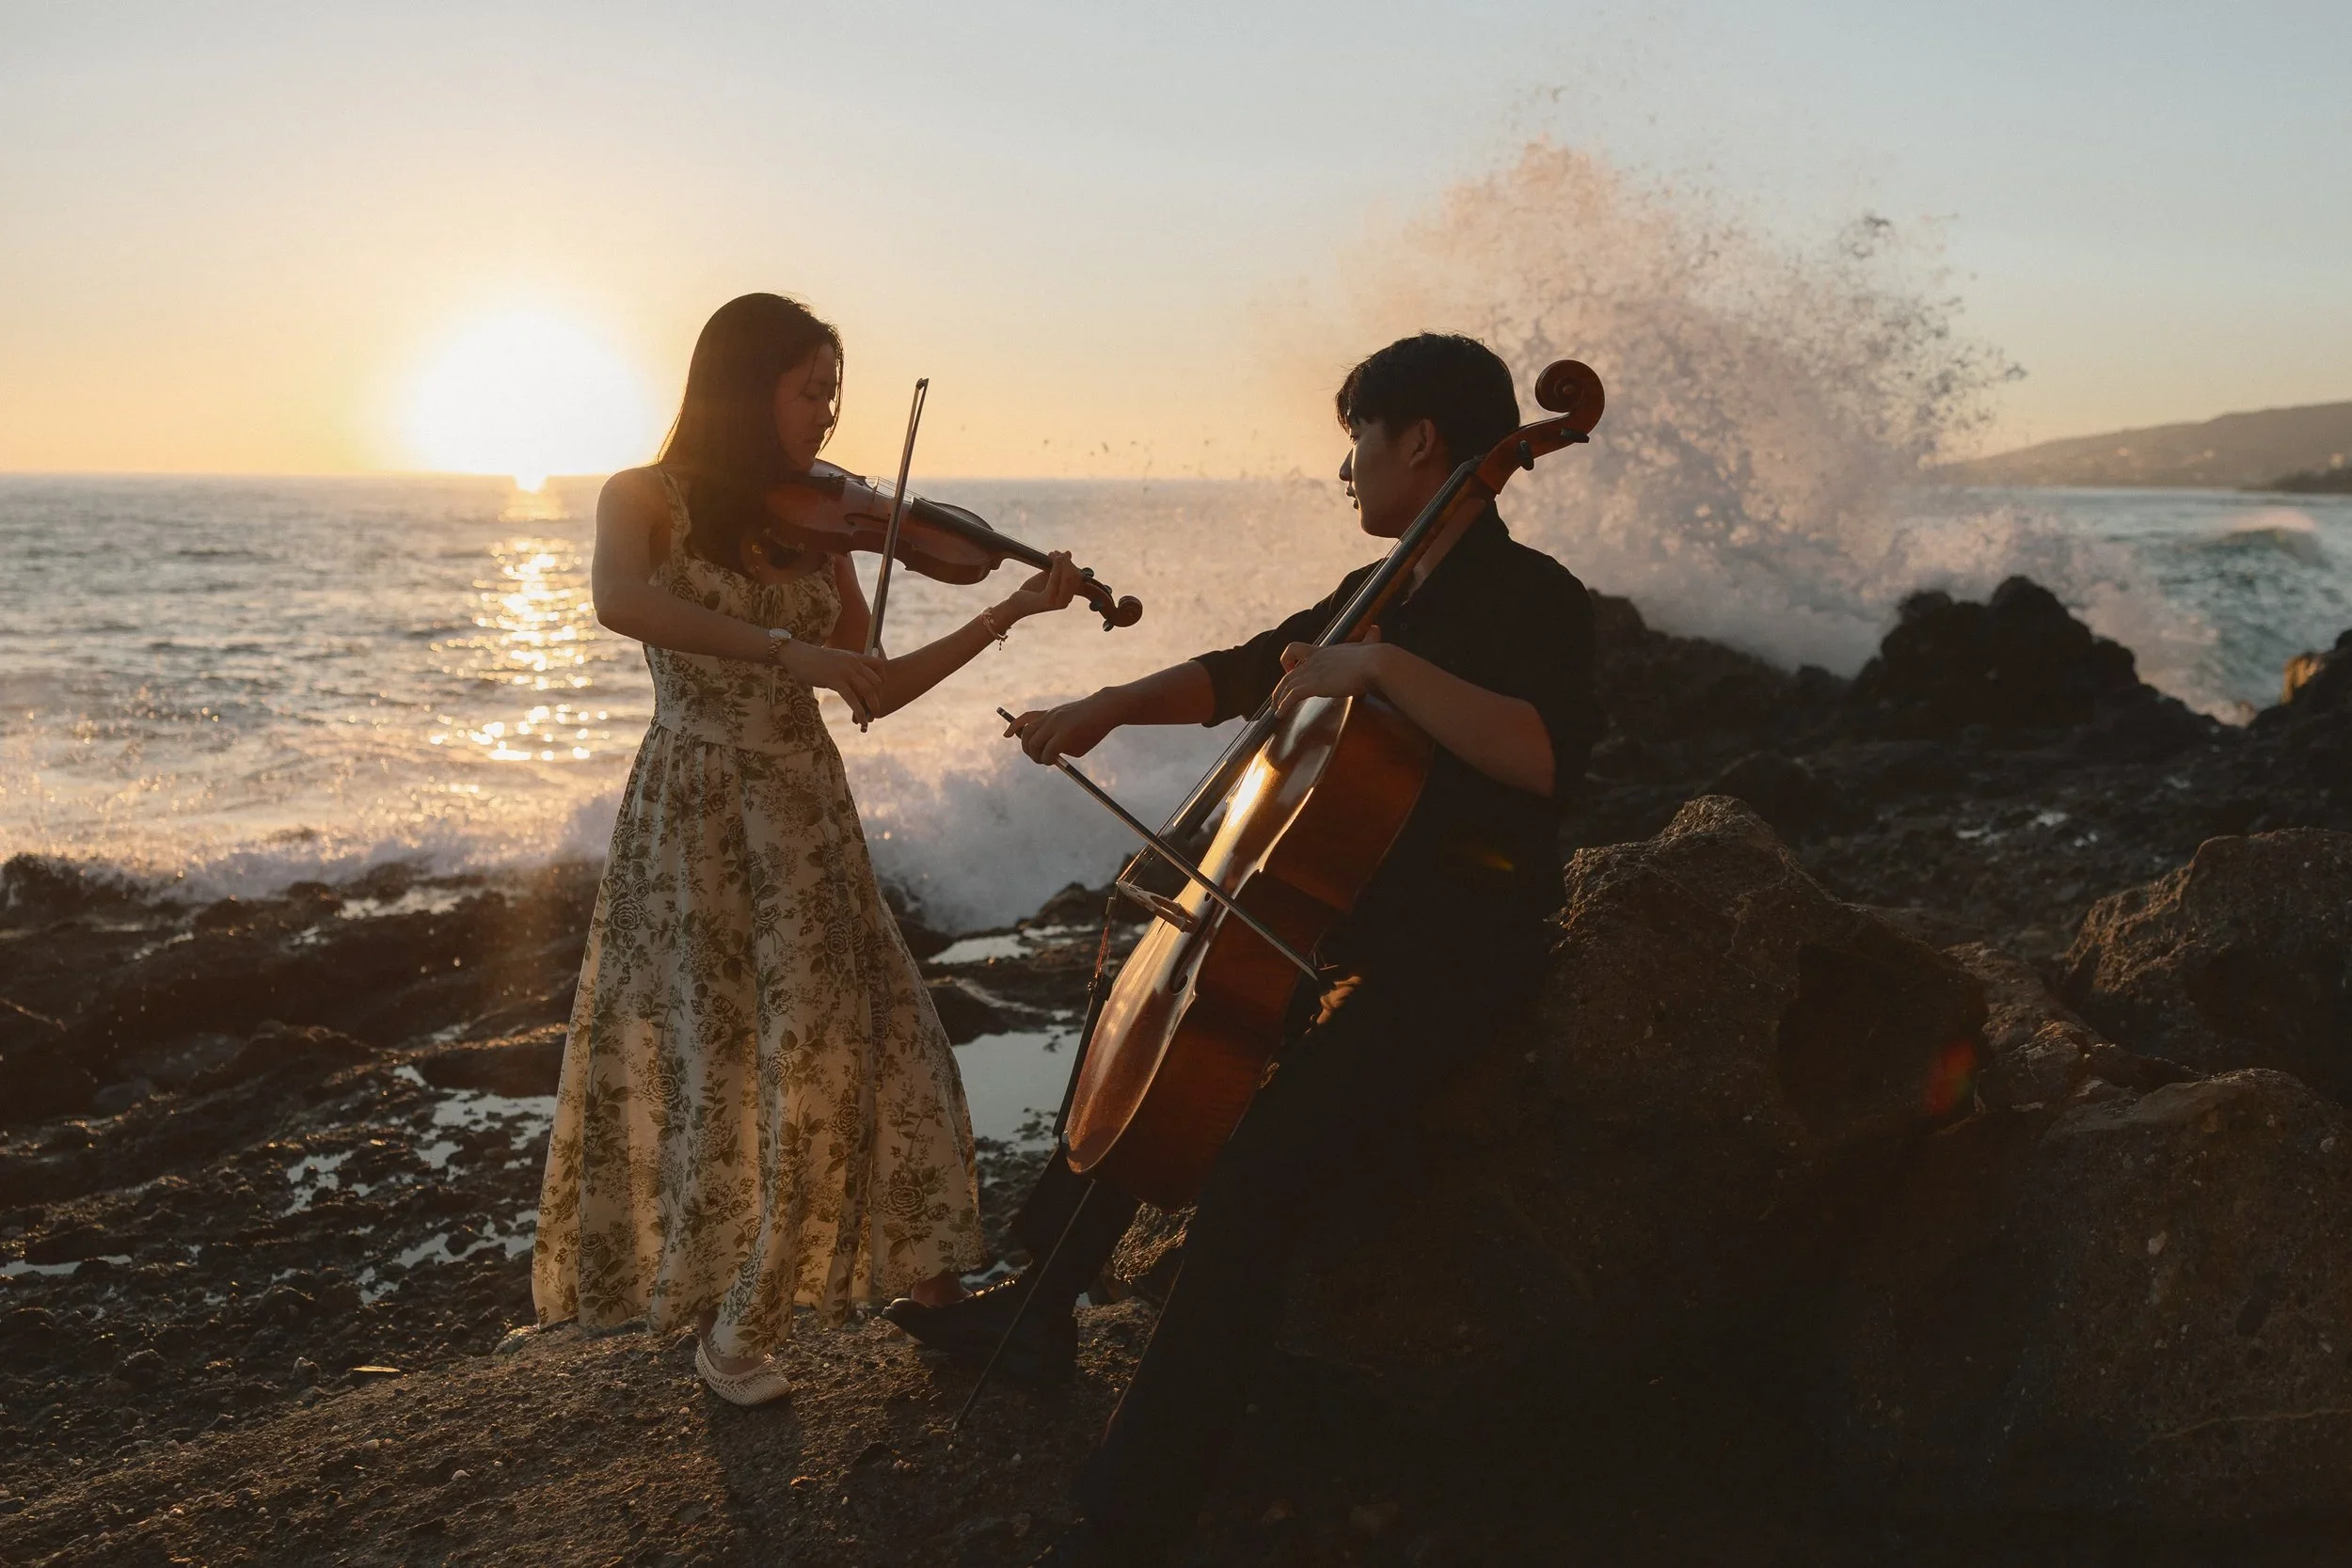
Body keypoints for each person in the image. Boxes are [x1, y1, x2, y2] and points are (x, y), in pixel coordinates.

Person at [884, 332, 1603, 1562]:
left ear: (1419, 440)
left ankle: (1133, 1517)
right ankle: (1043, 1301)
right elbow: (1241, 673)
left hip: (1461, 954)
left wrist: (1378, 666)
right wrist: (1105, 707)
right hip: (1344, 926)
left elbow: (1540, 754)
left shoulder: (1531, 597)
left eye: (1358, 439)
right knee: (1166, 1010)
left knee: (1259, 1177)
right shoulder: (1378, 591)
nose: (1345, 468)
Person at [532, 293, 1086, 1405]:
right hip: (694, 813)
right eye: (810, 390)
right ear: (745, 386)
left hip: (805, 818)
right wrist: (788, 651)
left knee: (883, 1040)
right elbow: (619, 601)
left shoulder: (817, 528)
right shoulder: (642, 498)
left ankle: (932, 1299)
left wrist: (1008, 612)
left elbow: (870, 682)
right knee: (730, 1062)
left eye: (835, 393)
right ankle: (731, 1330)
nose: (828, 418)